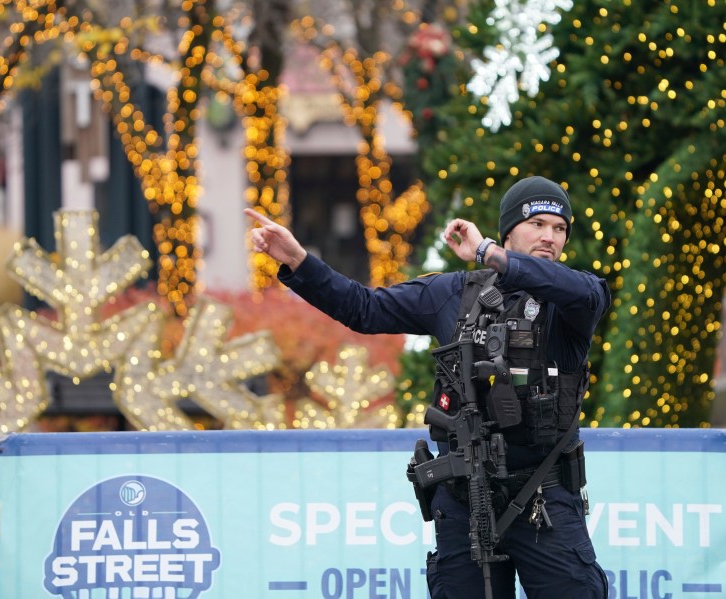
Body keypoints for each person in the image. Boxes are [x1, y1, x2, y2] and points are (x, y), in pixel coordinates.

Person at [244, 176, 610, 599]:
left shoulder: (577, 299)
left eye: (560, 228)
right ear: (510, 229)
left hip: (542, 500)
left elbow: (576, 287)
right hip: (464, 497)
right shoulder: (453, 292)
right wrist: (299, 262)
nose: (550, 236)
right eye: (538, 224)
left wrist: (487, 252)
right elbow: (365, 309)